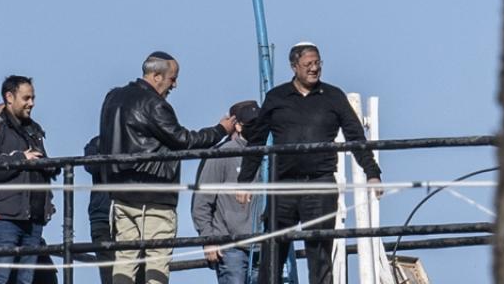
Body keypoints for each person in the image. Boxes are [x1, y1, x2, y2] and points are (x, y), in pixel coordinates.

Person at [238, 43, 381, 284]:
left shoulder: (334, 96)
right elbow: (257, 140)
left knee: (320, 254)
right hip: (283, 184)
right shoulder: (277, 97)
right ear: (294, 67)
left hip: (320, 182)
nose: (314, 69)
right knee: (272, 250)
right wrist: (244, 181)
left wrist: (372, 173)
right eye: (308, 64)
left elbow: (355, 136)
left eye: (318, 63)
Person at [99, 52, 236, 284]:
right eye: (172, 78)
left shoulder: (113, 98)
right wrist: (220, 130)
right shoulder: (154, 104)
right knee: (157, 261)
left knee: (125, 259)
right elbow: (184, 140)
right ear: (156, 76)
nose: (175, 85)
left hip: (120, 192)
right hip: (155, 195)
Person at [0, 75, 58, 284]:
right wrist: (21, 159)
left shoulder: (34, 131)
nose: (32, 103)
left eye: (33, 98)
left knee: (23, 281)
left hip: (32, 218)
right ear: (9, 97)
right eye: (26, 98)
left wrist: (50, 166)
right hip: (1, 217)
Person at [191, 101, 261, 284]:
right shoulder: (222, 154)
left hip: (263, 243)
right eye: (251, 124)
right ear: (238, 126)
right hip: (231, 246)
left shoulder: (268, 154)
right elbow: (202, 202)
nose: (257, 128)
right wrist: (209, 239)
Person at [83, 136, 113, 284]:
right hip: (103, 218)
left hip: (125, 215)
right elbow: (91, 166)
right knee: (109, 276)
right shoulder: (98, 142)